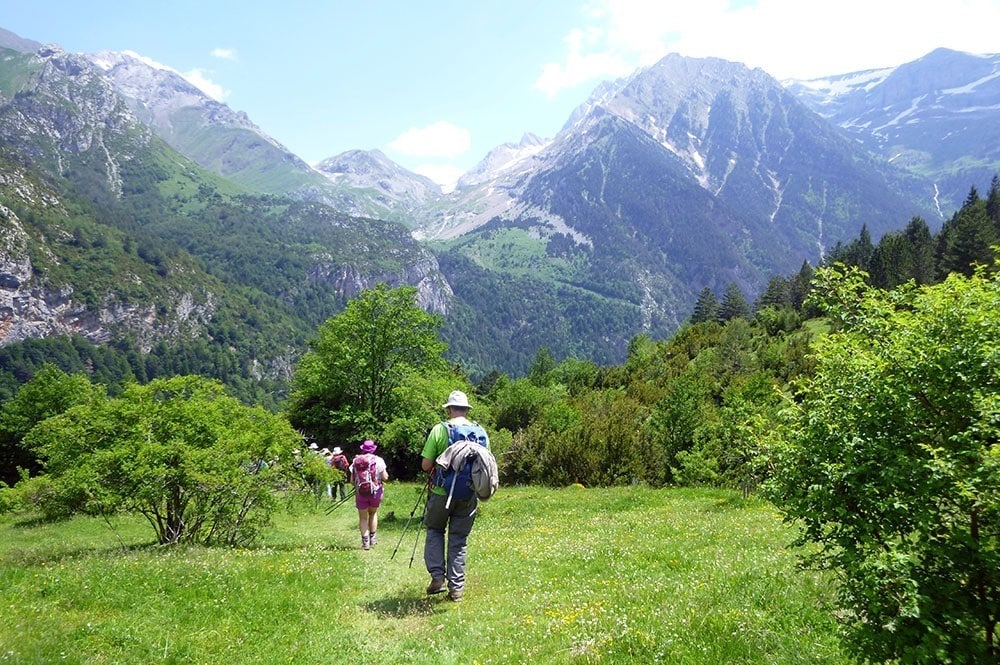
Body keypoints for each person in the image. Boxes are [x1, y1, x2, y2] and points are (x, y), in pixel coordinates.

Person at [421, 390, 490, 602]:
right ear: (467, 410)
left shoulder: (439, 430)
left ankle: (437, 578)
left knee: (434, 530)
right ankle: (457, 589)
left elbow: (425, 465)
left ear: (449, 409)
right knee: (459, 540)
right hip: (468, 494)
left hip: (441, 492)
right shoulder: (481, 432)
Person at [351, 439, 388, 550]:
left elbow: (352, 480)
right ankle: (373, 538)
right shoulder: (379, 460)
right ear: (373, 449)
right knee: (373, 513)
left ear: (363, 449)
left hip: (360, 492)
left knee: (363, 517)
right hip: (376, 492)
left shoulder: (355, 461)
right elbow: (385, 477)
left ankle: (365, 542)